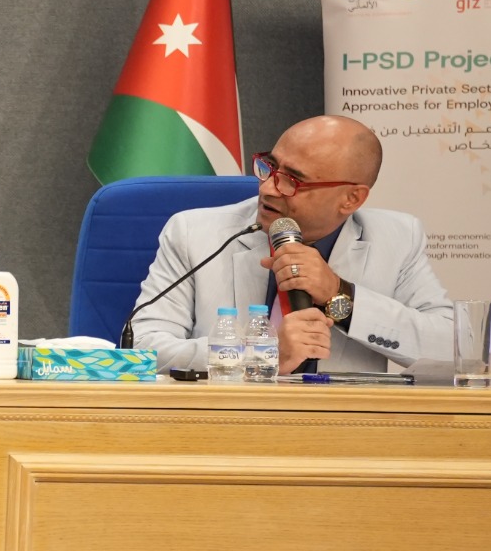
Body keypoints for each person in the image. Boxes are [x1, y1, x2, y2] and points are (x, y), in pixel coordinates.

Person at [129, 114, 453, 374]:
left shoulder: (396, 238)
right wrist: (260, 354)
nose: (268, 188)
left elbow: (454, 351)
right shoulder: (195, 233)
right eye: (269, 166)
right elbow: (141, 348)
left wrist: (339, 295)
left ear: (351, 199)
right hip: (228, 423)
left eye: (292, 180)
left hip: (342, 429)